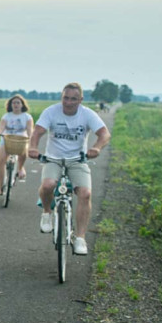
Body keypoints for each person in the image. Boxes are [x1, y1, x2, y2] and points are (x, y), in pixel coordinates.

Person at [27, 82, 111, 256]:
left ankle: (80, 238)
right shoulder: (51, 111)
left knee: (85, 193)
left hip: (77, 160)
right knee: (48, 185)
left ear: (80, 99)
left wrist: (96, 147)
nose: (69, 102)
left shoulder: (87, 114)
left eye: (74, 99)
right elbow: (37, 132)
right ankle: (47, 212)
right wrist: (33, 148)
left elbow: (104, 134)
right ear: (61, 97)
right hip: (53, 158)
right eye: (66, 98)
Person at [0, 94, 34, 194]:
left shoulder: (27, 117)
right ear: (10, 105)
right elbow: (1, 128)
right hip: (7, 138)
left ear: (22, 105)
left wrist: (31, 140)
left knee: (24, 151)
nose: (16, 105)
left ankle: (20, 168)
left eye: (18, 103)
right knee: (0, 161)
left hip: (21, 139)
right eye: (13, 103)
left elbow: (29, 130)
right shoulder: (6, 116)